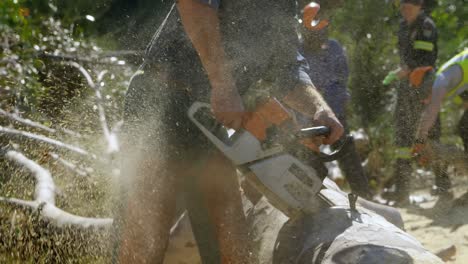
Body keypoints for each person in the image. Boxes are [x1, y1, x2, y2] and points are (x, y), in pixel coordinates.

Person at [116, 0, 344, 263]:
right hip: (164, 95)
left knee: (230, 234)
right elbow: (194, 5)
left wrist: (319, 109)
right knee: (147, 229)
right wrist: (223, 84)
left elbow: (287, 67)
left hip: (206, 116)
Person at [298, 16, 371, 198]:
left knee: (347, 152)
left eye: (320, 34)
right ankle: (315, 195)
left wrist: (337, 99)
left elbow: (342, 78)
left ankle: (363, 195)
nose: (317, 39)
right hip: (306, 112)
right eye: (313, 35)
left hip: (334, 108)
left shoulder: (334, 48)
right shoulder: (297, 50)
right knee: (307, 154)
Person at [383, 0, 447, 205]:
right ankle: (402, 191)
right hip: (406, 86)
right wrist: (401, 72)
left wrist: (407, 69)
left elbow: (425, 59)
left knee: (431, 133)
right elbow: (405, 57)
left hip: (425, 85)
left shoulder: (426, 25)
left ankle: (444, 186)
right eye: (403, 3)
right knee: (403, 135)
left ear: (419, 5)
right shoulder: (403, 26)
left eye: (410, 3)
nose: (405, 7)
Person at [415, 49, 468, 156]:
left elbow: (431, 113)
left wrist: (420, 140)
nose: (426, 100)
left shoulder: (439, 84)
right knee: (464, 127)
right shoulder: (449, 79)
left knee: (465, 128)